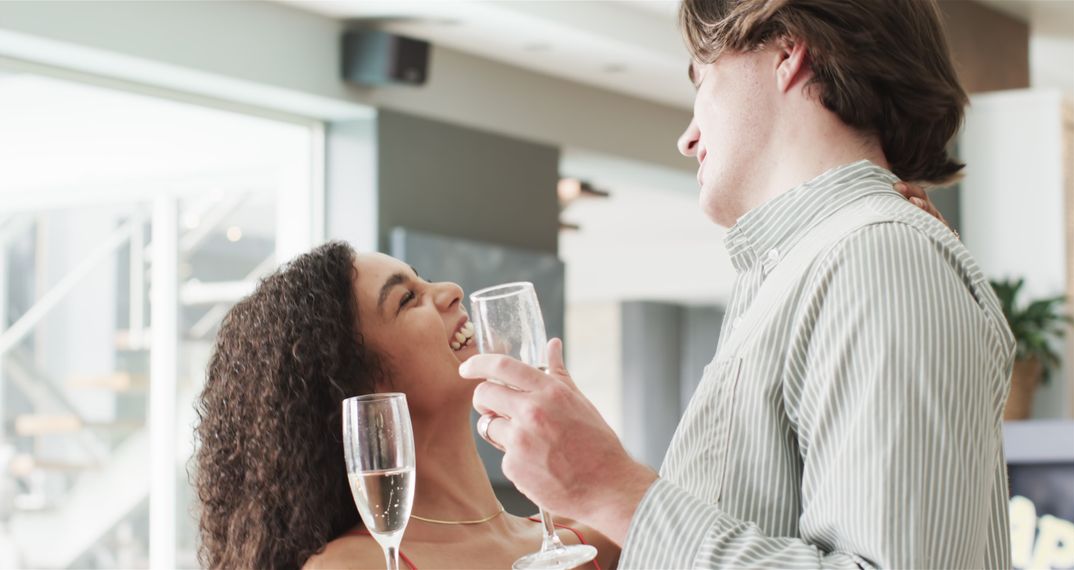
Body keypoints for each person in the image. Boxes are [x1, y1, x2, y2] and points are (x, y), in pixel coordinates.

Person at [461, 0, 1015, 568]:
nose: (688, 137)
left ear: (788, 52)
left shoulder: (880, 258)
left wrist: (612, 488)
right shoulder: (801, 272)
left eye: (703, 79)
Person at [193, 242, 619, 569]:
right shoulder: (353, 566)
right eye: (406, 299)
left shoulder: (589, 543)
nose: (452, 291)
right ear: (357, 378)